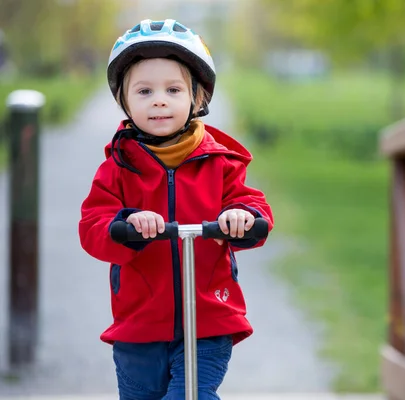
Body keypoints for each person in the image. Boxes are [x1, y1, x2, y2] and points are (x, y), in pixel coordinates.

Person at [78, 19, 274, 399]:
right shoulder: (118, 166)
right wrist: (125, 222)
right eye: (145, 91)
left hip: (207, 321)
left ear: (197, 98)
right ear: (125, 101)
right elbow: (92, 226)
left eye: (173, 89)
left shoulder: (221, 161)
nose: (159, 100)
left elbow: (254, 206)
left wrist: (242, 216)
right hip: (139, 323)